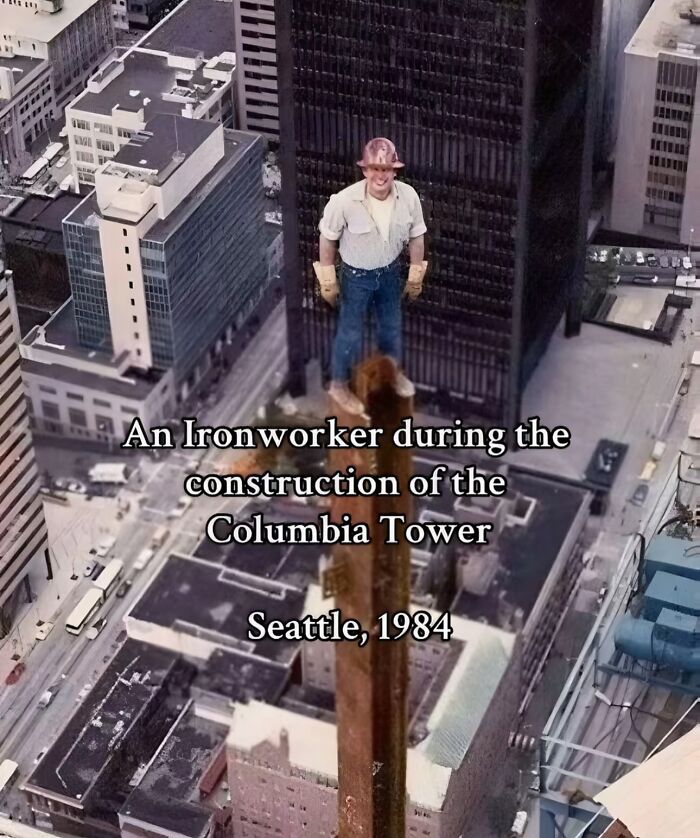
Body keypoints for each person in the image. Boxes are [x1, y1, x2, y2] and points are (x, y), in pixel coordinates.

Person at [314, 138, 428, 413]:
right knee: (350, 333)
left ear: (394, 171)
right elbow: (327, 240)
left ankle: (391, 374)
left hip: (389, 273)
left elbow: (417, 236)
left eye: (386, 169)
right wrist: (328, 280)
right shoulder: (344, 201)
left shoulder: (408, 196)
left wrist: (416, 273)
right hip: (356, 278)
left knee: (390, 327)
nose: (381, 175)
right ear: (365, 171)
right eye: (375, 169)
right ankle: (339, 385)